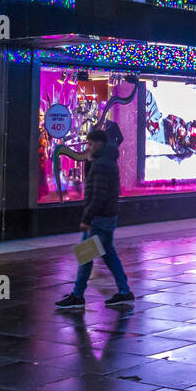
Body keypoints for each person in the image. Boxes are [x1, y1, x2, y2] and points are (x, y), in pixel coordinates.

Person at [56, 129, 134, 309]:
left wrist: (87, 218)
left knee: (86, 255)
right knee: (107, 253)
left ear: (99, 143)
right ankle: (124, 291)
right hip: (107, 216)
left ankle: (77, 295)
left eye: (90, 144)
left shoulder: (102, 165)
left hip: (99, 218)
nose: (88, 147)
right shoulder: (105, 161)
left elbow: (98, 195)